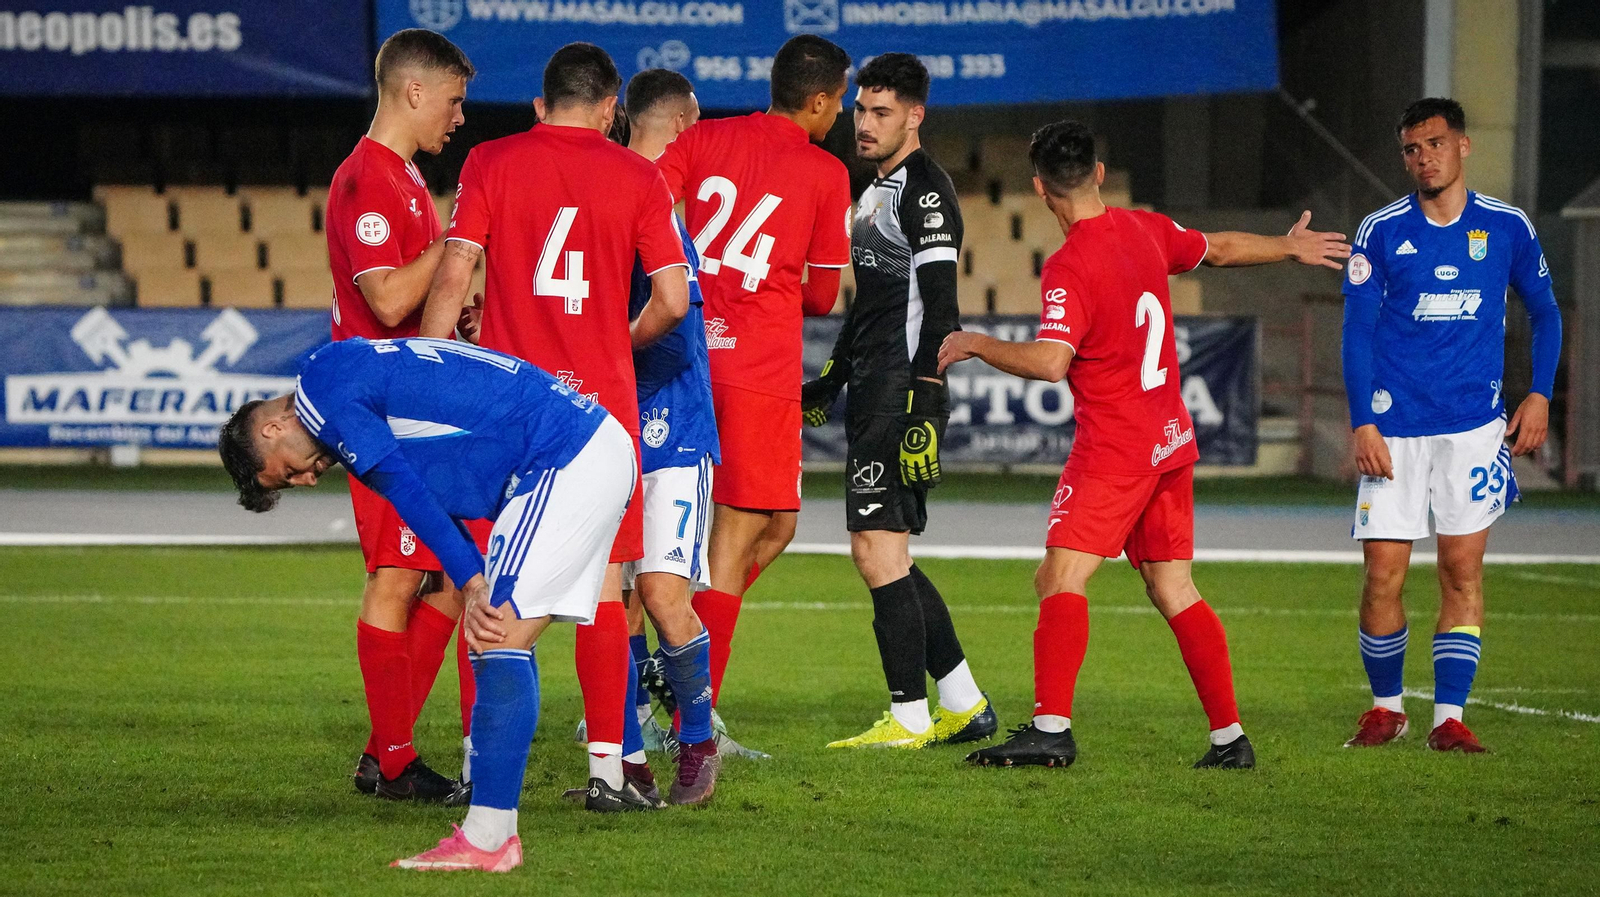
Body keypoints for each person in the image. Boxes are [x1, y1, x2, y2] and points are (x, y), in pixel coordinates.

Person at [937, 120, 1349, 769]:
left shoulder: (1071, 265)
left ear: (1041, 188)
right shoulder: (1147, 229)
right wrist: (1286, 246)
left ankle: (1050, 728)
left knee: (1060, 577)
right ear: (1099, 174)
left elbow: (1049, 362)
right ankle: (1229, 738)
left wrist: (974, 341)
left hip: (1117, 446)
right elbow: (1217, 249)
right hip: (1168, 438)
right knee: (1173, 585)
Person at [218, 336, 637, 872]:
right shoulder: (331, 370)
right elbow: (424, 489)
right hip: (568, 454)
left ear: (272, 428)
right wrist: (471, 572)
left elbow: (405, 490)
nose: (306, 477)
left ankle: (489, 841)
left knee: (495, 635)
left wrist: (471, 576)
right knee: (498, 639)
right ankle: (493, 833)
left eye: (287, 471)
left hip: (562, 458)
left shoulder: (324, 400)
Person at [418, 42, 690, 810]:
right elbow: (671, 299)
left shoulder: (491, 161)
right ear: (611, 109)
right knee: (604, 584)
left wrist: (437, 371)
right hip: (600, 411)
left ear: (546, 99)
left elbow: (454, 271)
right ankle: (609, 771)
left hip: (508, 405)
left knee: (492, 578)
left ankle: (478, 760)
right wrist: (616, 338)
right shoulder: (637, 174)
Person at [1340, 98, 1561, 753]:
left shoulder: (1508, 227)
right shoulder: (1380, 231)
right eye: (1411, 148)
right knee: (1383, 575)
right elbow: (1356, 330)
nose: (1423, 157)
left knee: (1462, 574)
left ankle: (1448, 718)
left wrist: (1540, 394)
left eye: (1434, 143)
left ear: (1462, 146)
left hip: (1472, 430)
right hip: (1394, 428)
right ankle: (1387, 708)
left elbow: (1546, 313)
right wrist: (1361, 422)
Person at [655, 35, 854, 742]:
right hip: (760, 369)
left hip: (688, 358)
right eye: (842, 98)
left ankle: (673, 661)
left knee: (773, 527)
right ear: (820, 99)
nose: (844, 111)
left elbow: (648, 199)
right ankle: (690, 717)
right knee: (738, 542)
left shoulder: (704, 138)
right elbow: (826, 295)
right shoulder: (827, 172)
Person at [801, 53, 996, 749]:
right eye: (860, 110)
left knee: (875, 549)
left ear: (916, 115)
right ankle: (966, 703)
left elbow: (941, 311)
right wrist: (830, 376)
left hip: (899, 395)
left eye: (881, 112)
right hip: (874, 386)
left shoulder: (926, 192)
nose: (864, 123)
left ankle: (909, 714)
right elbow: (871, 306)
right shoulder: (873, 192)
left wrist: (926, 408)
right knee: (892, 554)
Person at [323, 27, 475, 801]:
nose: (458, 117)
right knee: (397, 577)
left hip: (413, 406)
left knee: (446, 579)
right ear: (414, 92)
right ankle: (391, 761)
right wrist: (454, 246)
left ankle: (386, 749)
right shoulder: (367, 181)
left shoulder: (407, 179)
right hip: (379, 410)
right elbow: (384, 295)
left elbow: (411, 301)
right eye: (452, 101)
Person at [616, 67, 721, 802]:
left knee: (657, 590)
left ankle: (697, 741)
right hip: (616, 426)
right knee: (611, 596)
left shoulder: (654, 206)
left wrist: (603, 359)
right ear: (685, 124)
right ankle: (623, 757)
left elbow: (676, 339)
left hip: (671, 430)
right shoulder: (637, 195)